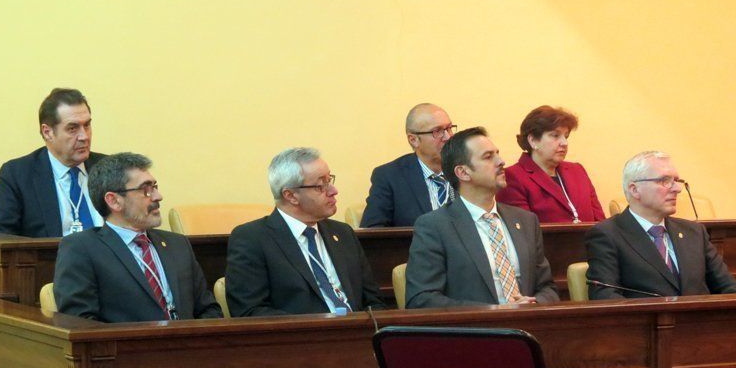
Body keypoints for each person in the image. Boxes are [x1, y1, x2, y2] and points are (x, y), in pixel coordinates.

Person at [53, 153, 222, 322]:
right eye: (146, 190)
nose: (158, 196)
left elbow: (208, 310)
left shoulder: (177, 244)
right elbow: (80, 323)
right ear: (114, 201)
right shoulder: (82, 248)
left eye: (154, 186)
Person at [405, 127, 559, 308]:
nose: (501, 162)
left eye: (498, 154)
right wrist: (493, 311)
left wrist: (535, 302)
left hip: (529, 329)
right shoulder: (434, 226)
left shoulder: (526, 221)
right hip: (475, 332)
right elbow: (421, 299)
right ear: (463, 172)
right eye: (488, 157)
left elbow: (548, 288)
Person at [226, 147, 386, 316]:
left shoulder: (343, 233)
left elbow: (374, 302)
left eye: (329, 180)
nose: (333, 191)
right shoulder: (252, 239)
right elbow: (250, 312)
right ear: (291, 196)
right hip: (300, 339)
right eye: (320, 185)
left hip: (357, 336)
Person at [586, 151, 736, 299]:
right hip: (648, 327)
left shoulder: (694, 232)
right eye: (665, 181)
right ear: (634, 189)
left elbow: (730, 289)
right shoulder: (607, 234)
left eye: (677, 181)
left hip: (701, 326)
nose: (677, 189)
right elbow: (605, 296)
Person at [0, 88, 107, 237]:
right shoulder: (19, 175)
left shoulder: (110, 168)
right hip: (50, 259)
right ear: (47, 132)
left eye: (87, 125)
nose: (84, 136)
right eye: (72, 128)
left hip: (110, 260)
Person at [496, 105, 605, 223]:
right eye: (555, 135)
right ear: (533, 140)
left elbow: (600, 222)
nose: (564, 143)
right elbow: (523, 233)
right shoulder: (512, 177)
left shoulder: (578, 171)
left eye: (566, 136)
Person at [360, 103, 456, 227]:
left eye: (449, 128)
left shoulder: (464, 170)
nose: (448, 137)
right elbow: (373, 230)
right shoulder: (390, 177)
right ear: (413, 140)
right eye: (437, 131)